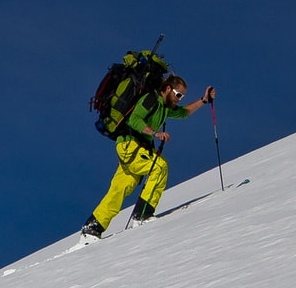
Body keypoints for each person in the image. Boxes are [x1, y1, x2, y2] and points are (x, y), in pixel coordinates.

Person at [82, 75, 215, 238]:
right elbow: (134, 119)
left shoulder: (164, 107)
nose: (179, 99)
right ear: (167, 89)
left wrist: (204, 100)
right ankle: (142, 215)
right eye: (178, 95)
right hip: (131, 145)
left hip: (131, 147)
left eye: (182, 96)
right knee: (160, 167)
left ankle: (92, 227)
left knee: (120, 187)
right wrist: (154, 133)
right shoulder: (151, 99)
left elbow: (183, 113)